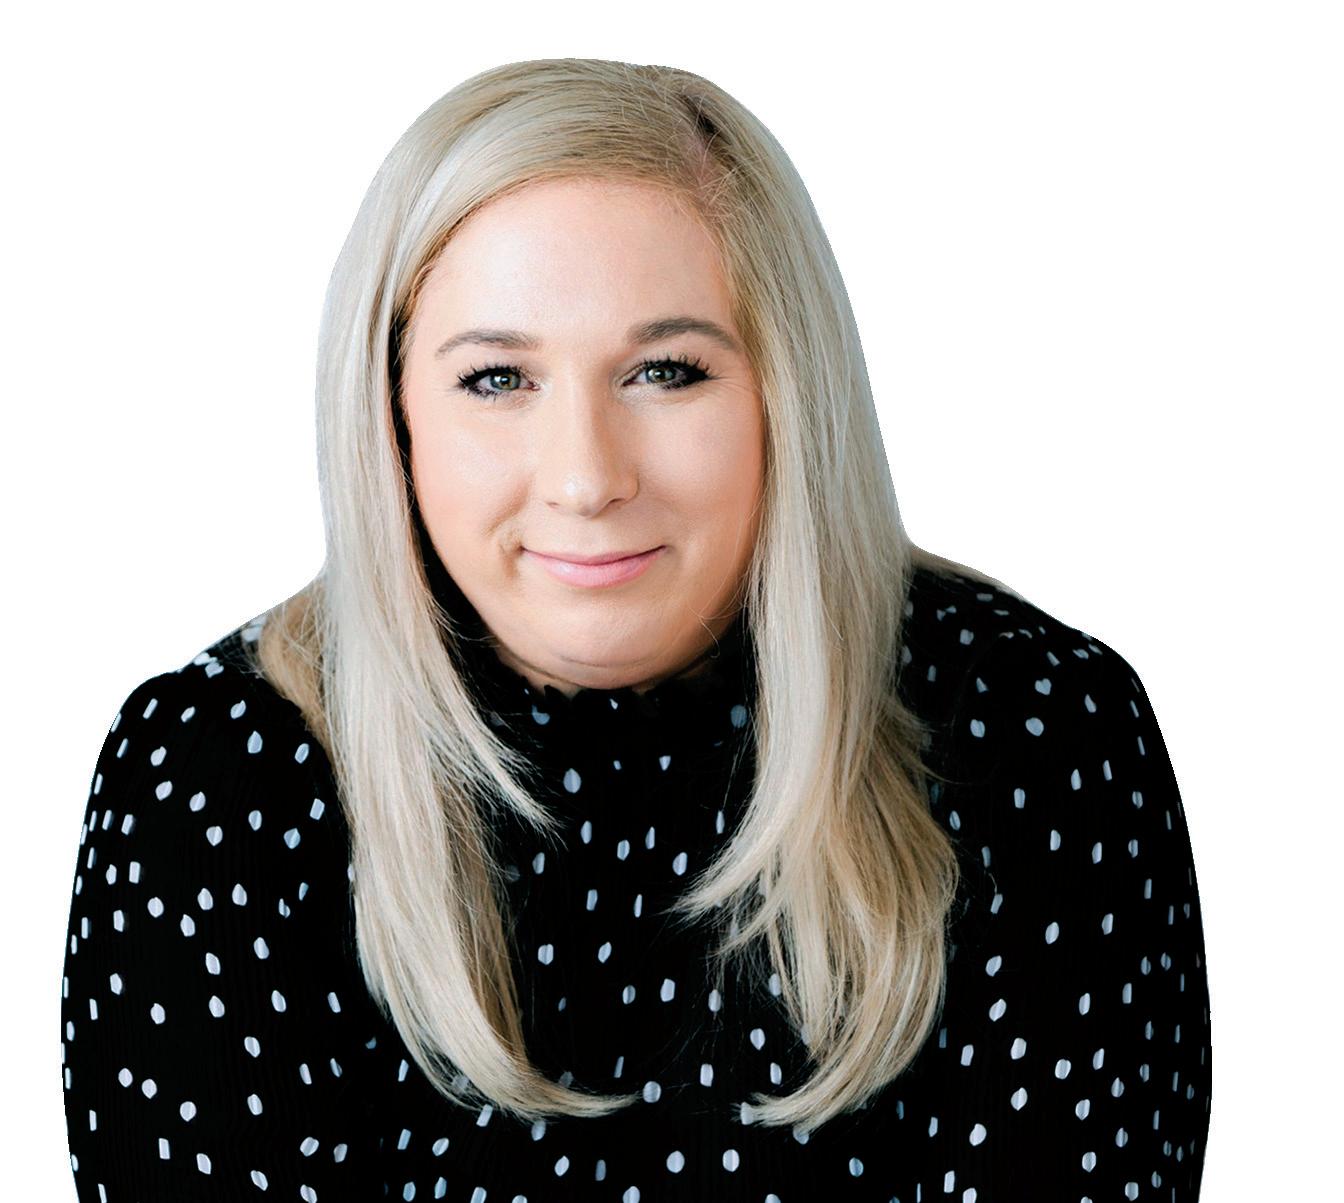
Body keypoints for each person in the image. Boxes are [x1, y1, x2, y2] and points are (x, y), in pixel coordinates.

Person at [59, 58, 1212, 1202]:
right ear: (391, 410)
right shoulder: (215, 774)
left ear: (787, 390)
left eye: (666, 371)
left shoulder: (1034, 730)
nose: (585, 478)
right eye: (497, 379)